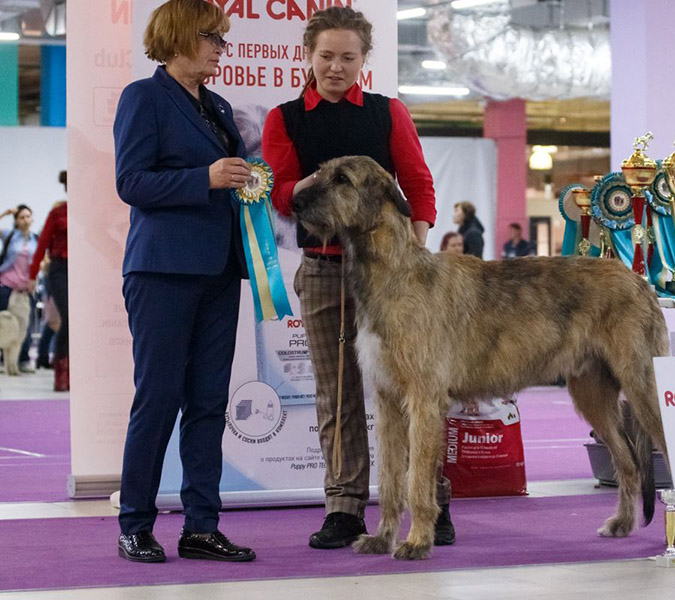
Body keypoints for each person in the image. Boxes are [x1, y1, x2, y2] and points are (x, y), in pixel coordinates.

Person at [261, 6, 454, 550]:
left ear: (364, 60)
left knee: (420, 390)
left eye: (348, 57)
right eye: (326, 56)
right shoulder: (285, 118)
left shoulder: (388, 113)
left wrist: (416, 252)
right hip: (324, 271)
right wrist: (315, 185)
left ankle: (430, 502)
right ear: (308, 55)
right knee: (337, 393)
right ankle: (345, 508)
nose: (336, 67)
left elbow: (417, 181)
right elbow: (280, 193)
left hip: (395, 278)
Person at [111, 0, 255, 563]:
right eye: (212, 37)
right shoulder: (143, 97)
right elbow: (132, 182)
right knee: (159, 398)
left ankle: (201, 525)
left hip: (220, 271)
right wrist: (206, 177)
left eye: (223, 38)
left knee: (207, 402)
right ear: (177, 38)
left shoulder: (217, 105)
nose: (221, 48)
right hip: (162, 271)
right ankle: (134, 524)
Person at [27, 176, 68, 389]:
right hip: (60, 269)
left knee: (78, 321)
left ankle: (75, 372)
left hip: (83, 270)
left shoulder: (88, 212)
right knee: (67, 320)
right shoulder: (57, 213)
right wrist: (33, 275)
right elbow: (42, 243)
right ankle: (61, 374)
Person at [0, 204, 38, 372]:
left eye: (28, 216)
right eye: (21, 217)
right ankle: (3, 361)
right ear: (16, 221)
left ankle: (22, 360)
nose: (25, 220)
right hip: (6, 286)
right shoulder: (9, 236)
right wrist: (5, 214)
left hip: (26, 290)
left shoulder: (35, 239)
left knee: (25, 327)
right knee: (3, 325)